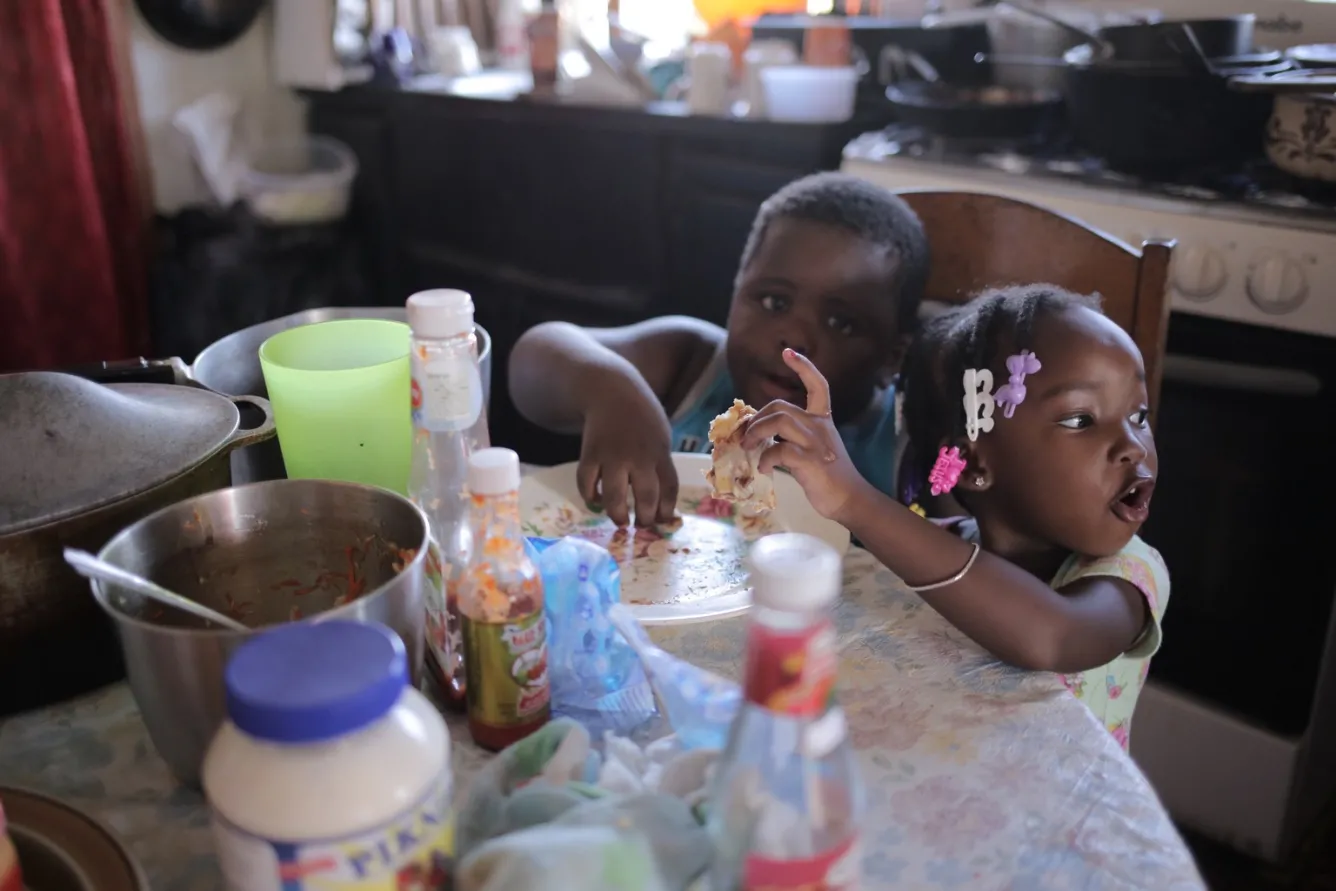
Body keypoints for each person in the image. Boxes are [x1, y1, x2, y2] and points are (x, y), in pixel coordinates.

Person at [742, 284, 1169, 749]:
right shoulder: (936, 543)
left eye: (1139, 415)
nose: (1132, 446)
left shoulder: (1128, 577)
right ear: (975, 465)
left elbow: (1053, 638)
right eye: (1080, 420)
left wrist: (855, 501)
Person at [508, 172, 929, 528]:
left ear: (892, 356)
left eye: (841, 323)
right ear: (736, 289)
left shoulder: (905, 445)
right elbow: (537, 354)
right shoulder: (692, 363)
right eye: (772, 302)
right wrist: (611, 394)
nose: (794, 338)